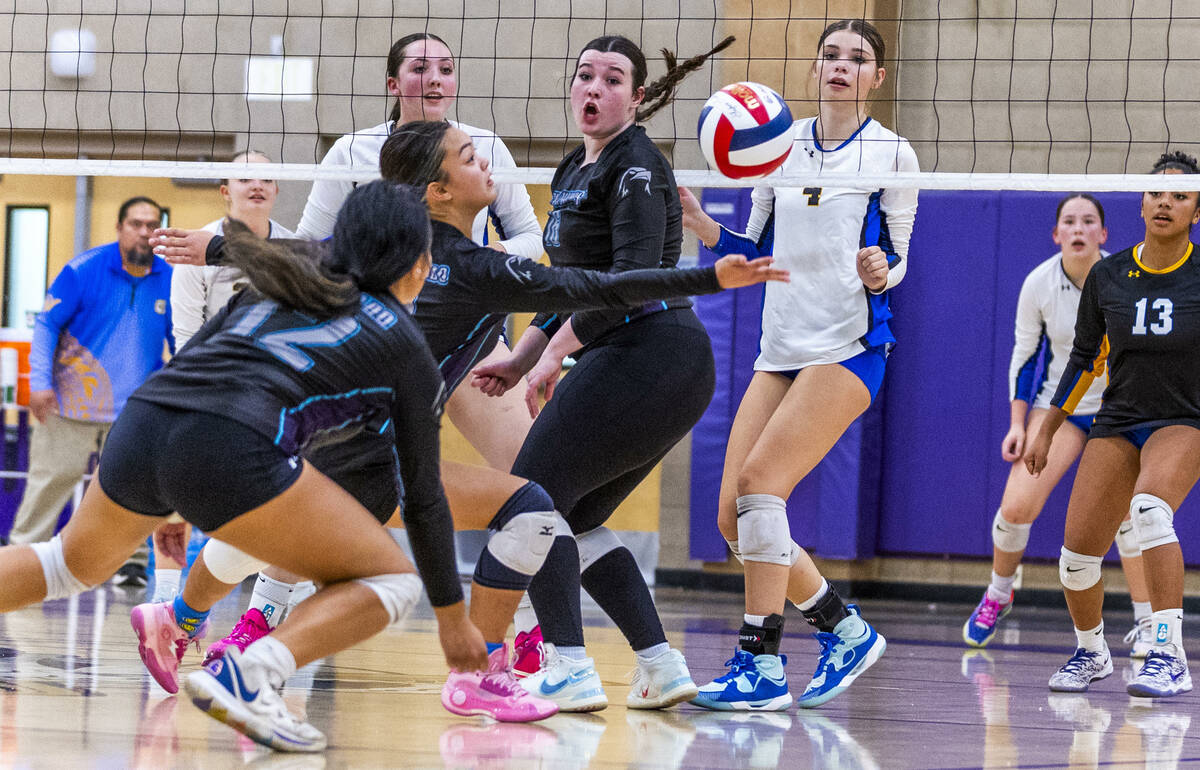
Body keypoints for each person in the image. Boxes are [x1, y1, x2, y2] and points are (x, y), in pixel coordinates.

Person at [142, 122, 785, 719]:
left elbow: (306, 256)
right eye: (472, 157)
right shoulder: (477, 269)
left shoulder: (384, 249)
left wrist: (225, 242)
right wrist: (705, 277)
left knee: (282, 530)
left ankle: (179, 619)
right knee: (521, 511)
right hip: (368, 451)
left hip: (327, 436)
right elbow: (591, 288)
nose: (488, 162)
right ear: (440, 190)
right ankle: (475, 670)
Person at [0, 181, 494, 753]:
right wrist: (454, 621)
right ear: (419, 264)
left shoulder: (282, 280)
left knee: (68, 564)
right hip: (231, 443)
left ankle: (224, 647)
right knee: (390, 580)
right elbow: (424, 497)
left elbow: (197, 356)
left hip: (146, 418)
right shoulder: (406, 345)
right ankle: (249, 673)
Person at [470, 33, 736, 712]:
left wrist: (554, 354)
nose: (594, 88)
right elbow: (571, 286)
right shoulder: (569, 172)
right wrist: (523, 356)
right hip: (645, 362)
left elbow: (631, 284)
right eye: (585, 75)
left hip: (653, 352)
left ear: (638, 97)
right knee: (577, 517)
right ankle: (660, 662)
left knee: (526, 502)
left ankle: (569, 665)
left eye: (613, 79)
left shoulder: (638, 166)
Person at [676, 19, 918, 710]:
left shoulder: (892, 154)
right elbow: (746, 251)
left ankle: (761, 662)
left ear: (877, 78)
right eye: (832, 55)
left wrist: (881, 269)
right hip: (779, 348)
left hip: (850, 347)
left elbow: (898, 258)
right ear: (816, 70)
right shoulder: (777, 150)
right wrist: (700, 226)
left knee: (760, 486)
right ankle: (843, 629)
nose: (843, 66)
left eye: (859, 58)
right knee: (732, 516)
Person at [1027, 151, 1200, 699]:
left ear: (1197, 211)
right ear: (1141, 201)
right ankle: (1091, 651)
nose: (1165, 202)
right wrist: (1048, 427)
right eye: (1157, 194)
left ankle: (1168, 653)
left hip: (1186, 419)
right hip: (1120, 419)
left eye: (1180, 195)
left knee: (1151, 511)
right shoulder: (1109, 275)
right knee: (1076, 557)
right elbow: (1084, 360)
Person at [963, 194, 1152, 654]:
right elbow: (1026, 357)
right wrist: (1018, 424)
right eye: (1070, 221)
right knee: (1015, 509)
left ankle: (1147, 622)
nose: (1079, 229)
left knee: (1130, 518)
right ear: (1057, 234)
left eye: (1089, 221)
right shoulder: (1038, 284)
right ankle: (999, 593)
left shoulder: (1128, 277)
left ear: (1103, 234)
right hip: (1060, 409)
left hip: (1118, 412)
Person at [153, 151, 307, 614]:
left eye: (266, 177)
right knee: (174, 491)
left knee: (281, 501)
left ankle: (275, 606)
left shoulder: (298, 248)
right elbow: (185, 334)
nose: (256, 184)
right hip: (207, 383)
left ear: (278, 191)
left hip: (275, 393)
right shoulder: (197, 247)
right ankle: (164, 601)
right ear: (225, 191)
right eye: (244, 178)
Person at [7, 197, 173, 588]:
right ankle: (19, 557)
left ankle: (131, 564)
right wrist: (40, 383)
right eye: (137, 223)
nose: (145, 232)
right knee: (50, 484)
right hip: (69, 404)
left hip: (134, 411)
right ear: (119, 228)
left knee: (133, 491)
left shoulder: (170, 276)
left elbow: (179, 339)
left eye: (153, 225)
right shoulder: (83, 270)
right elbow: (47, 325)